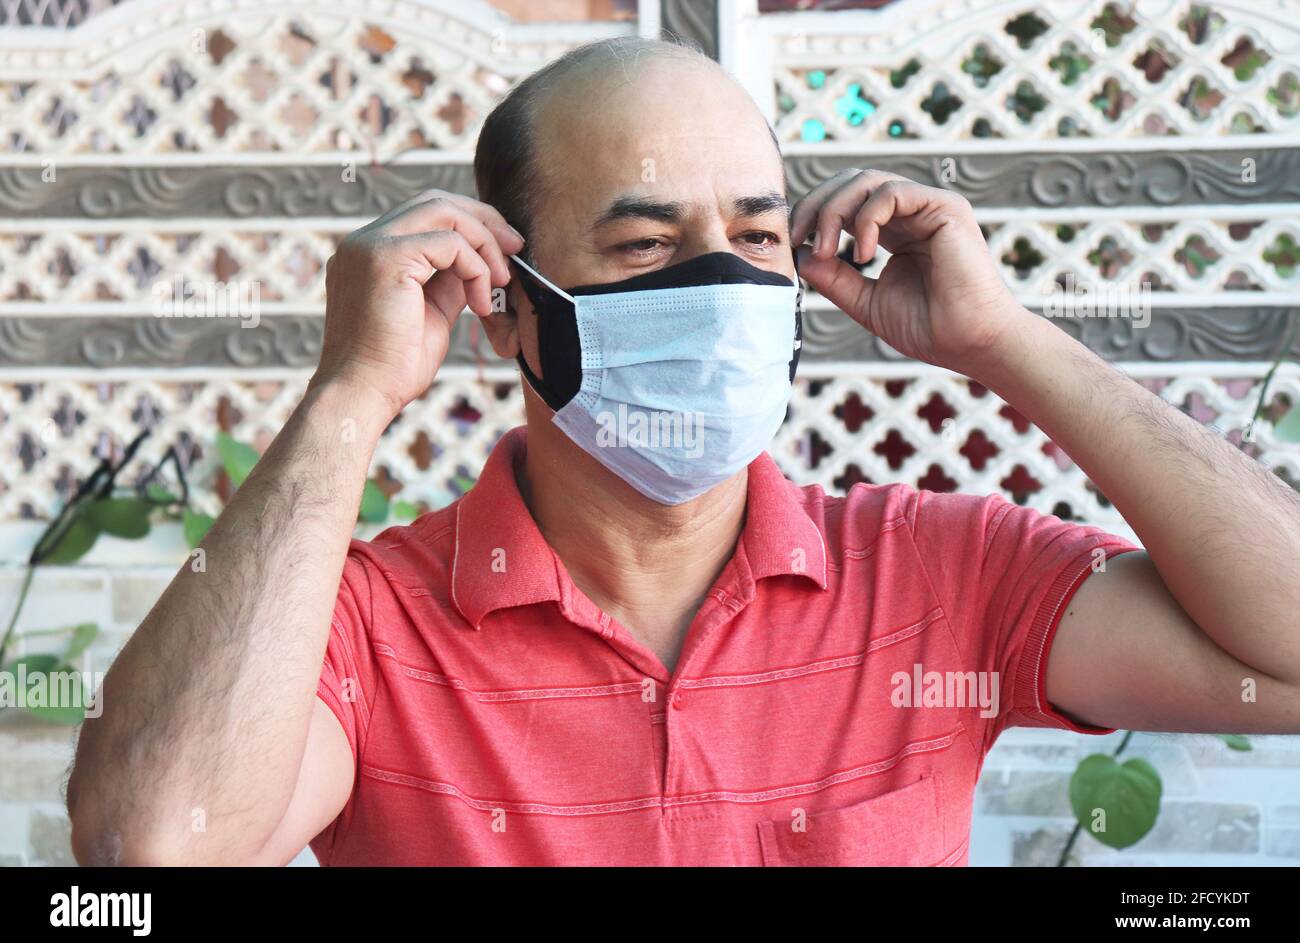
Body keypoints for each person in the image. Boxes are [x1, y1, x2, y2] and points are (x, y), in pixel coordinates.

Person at [68, 37, 1300, 866]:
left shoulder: (936, 572)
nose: (720, 288)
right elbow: (151, 850)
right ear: (507, 300)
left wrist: (1006, 341)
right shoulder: (368, 624)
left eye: (757, 240)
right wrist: (350, 396)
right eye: (648, 250)